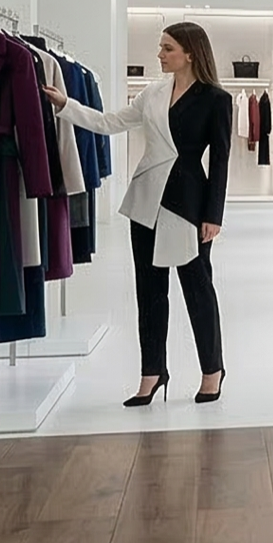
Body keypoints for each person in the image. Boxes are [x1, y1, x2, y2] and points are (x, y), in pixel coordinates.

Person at [45, 20, 232, 406]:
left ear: (190, 53)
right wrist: (66, 106)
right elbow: (109, 122)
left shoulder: (216, 99)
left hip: (188, 205)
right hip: (146, 199)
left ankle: (212, 370)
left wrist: (214, 214)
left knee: (198, 290)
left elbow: (221, 161)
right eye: (161, 47)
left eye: (167, 48)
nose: (160, 54)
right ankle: (152, 373)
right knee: (148, 292)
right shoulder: (152, 93)